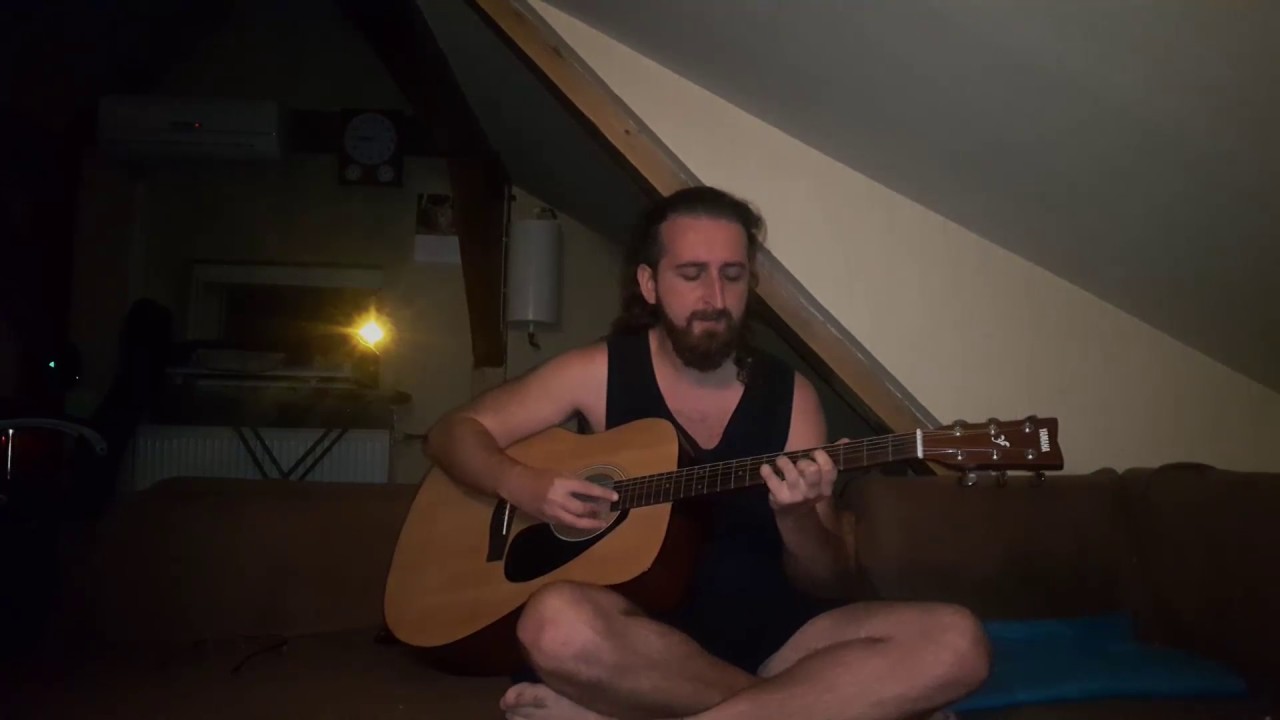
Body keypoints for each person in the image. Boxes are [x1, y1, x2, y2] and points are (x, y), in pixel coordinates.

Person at [424, 186, 990, 720]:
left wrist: (798, 517)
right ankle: (801, 706)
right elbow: (453, 432)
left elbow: (826, 580)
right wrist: (524, 485)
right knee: (554, 627)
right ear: (649, 284)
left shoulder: (790, 397)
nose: (715, 299)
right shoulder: (596, 372)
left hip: (775, 635)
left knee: (957, 641)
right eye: (691, 275)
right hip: (639, 635)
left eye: (732, 276)